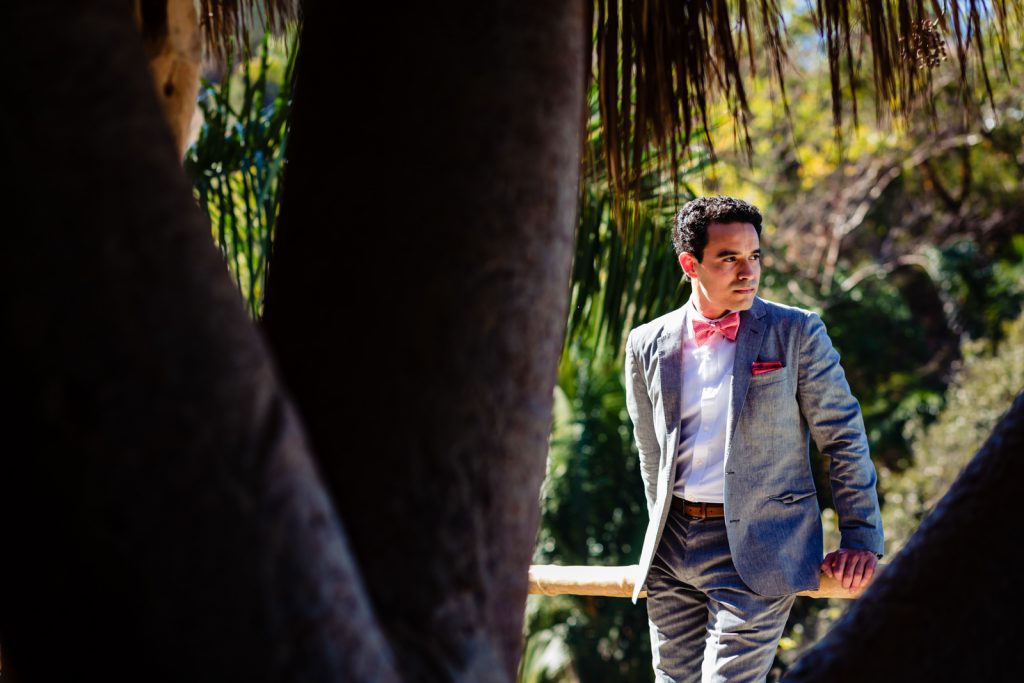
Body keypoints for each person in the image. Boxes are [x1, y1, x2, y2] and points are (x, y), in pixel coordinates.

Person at [624, 196, 883, 682]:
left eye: (755, 256)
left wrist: (861, 536)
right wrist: (662, 524)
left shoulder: (797, 331)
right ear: (690, 264)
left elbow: (843, 437)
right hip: (670, 548)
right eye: (729, 258)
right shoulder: (646, 343)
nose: (749, 271)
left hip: (760, 548)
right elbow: (650, 450)